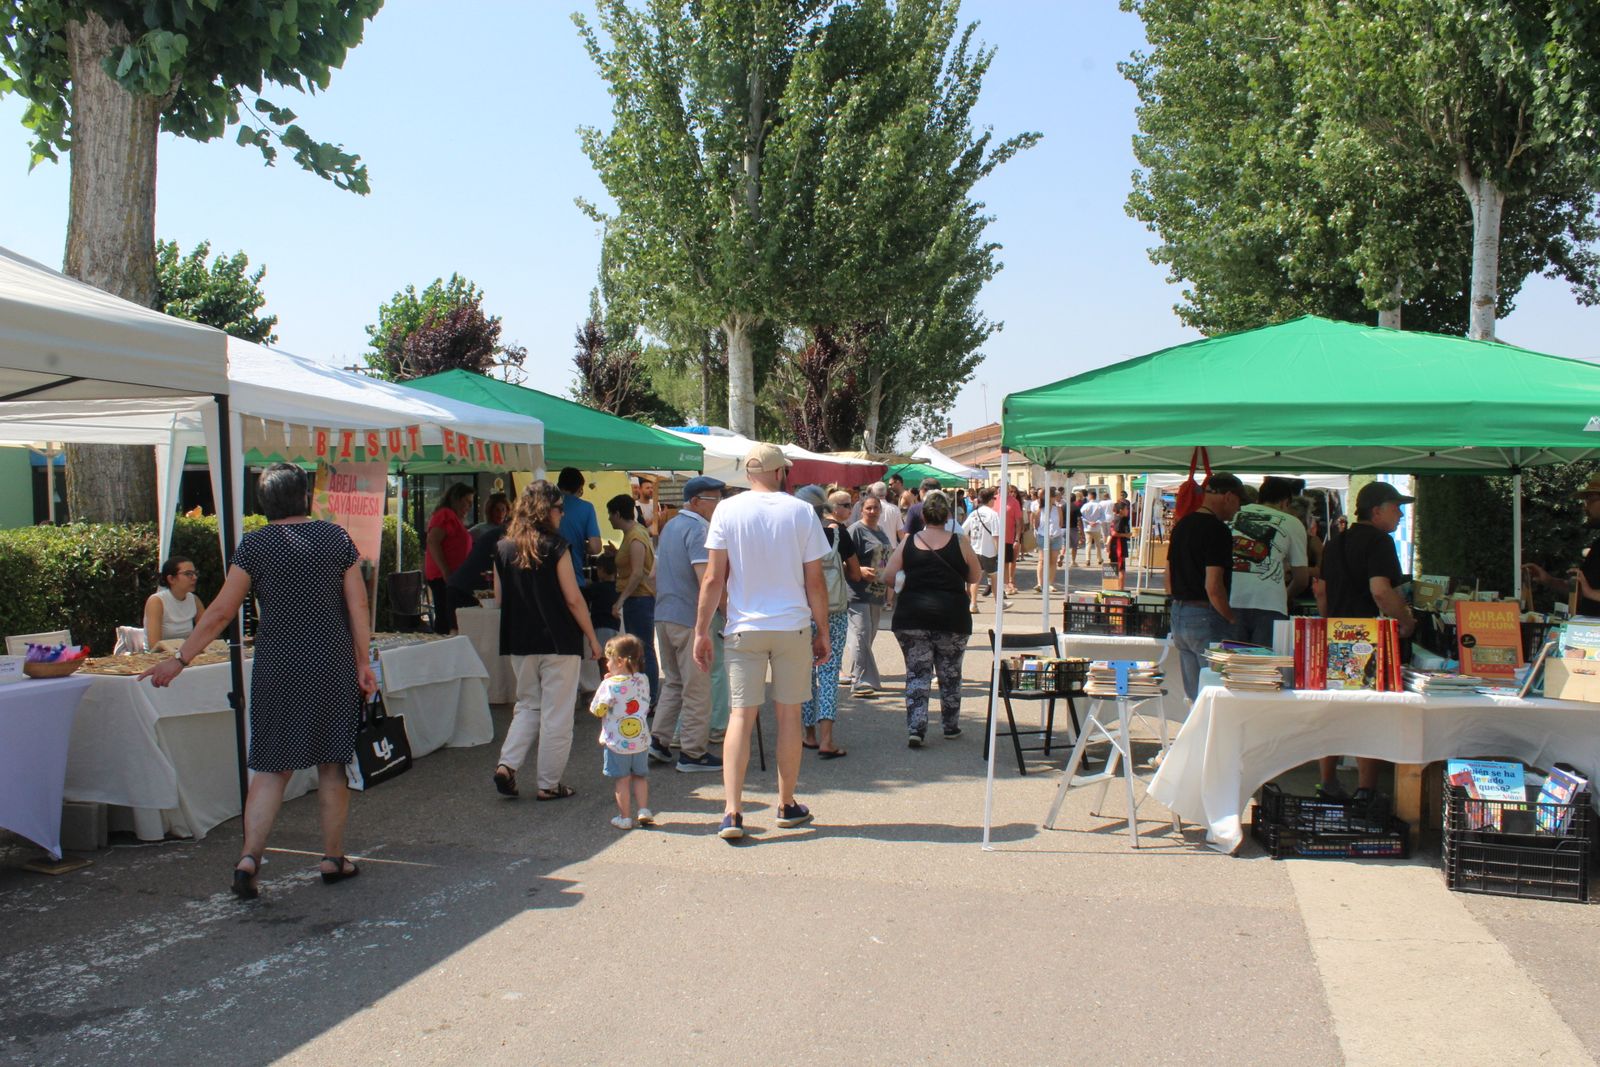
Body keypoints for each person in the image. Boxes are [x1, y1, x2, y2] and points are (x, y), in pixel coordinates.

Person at [141, 463, 375, 899]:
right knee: (331, 763)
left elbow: (219, 613)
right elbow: (357, 606)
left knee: (271, 766)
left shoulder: (255, 545)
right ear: (304, 495)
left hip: (277, 663)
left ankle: (250, 857)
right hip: (331, 661)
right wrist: (364, 663)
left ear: (264, 502)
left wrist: (180, 659)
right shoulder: (336, 538)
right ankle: (332, 857)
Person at [692, 443, 830, 841]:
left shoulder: (727, 510)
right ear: (779, 472)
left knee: (741, 716)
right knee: (788, 717)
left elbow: (713, 578)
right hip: (791, 625)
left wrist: (701, 630)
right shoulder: (800, 510)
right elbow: (815, 580)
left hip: (743, 626)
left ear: (749, 473)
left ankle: (732, 811)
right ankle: (786, 803)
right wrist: (822, 629)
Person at [491, 480, 603, 802]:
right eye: (558, 508)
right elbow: (573, 599)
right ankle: (549, 783)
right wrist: (593, 639)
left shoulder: (502, 547)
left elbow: (499, 599)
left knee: (527, 705)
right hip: (559, 639)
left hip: (519, 638)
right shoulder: (556, 545)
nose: (561, 514)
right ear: (546, 510)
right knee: (558, 713)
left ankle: (507, 765)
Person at [1315, 481, 1417, 800]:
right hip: (1368, 638)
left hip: (1335, 633)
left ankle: (1328, 783)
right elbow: (1380, 591)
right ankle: (1366, 792)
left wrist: (1331, 620)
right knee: (1369, 714)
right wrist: (1406, 620)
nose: (1400, 514)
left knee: (1335, 713)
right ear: (1377, 510)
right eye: (1395, 507)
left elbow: (1321, 590)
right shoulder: (1379, 541)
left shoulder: (1335, 542)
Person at [880, 490, 981, 746]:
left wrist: (906, 581)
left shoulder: (909, 541)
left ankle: (916, 727)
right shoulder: (960, 542)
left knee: (917, 673)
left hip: (912, 616)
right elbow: (974, 577)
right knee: (950, 673)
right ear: (948, 515)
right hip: (952, 617)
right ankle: (950, 725)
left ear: (922, 515)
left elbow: (888, 576)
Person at [650, 475, 726, 772]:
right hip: (689, 619)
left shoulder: (671, 525)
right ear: (696, 501)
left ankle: (659, 741)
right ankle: (693, 752)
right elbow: (707, 579)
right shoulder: (698, 528)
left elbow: (655, 573)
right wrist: (725, 611)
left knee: (673, 682)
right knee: (697, 688)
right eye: (713, 499)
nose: (718, 505)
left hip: (665, 614)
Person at [1167, 473, 1244, 701]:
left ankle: (1197, 735)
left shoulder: (1181, 526)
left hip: (1179, 613)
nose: (1237, 510)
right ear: (1229, 497)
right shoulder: (1218, 530)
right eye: (1239, 502)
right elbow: (1213, 586)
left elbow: (1168, 578)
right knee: (1216, 691)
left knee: (1195, 695)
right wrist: (1231, 618)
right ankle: (1210, 736)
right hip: (1204, 615)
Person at [799, 487, 863, 758]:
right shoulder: (838, 533)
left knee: (804, 674)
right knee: (827, 672)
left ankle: (809, 736)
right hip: (833, 609)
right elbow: (856, 573)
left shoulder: (795, 536)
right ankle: (827, 739)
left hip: (801, 611)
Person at [1228, 476, 1312, 647]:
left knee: (1230, 667)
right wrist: (1285, 595)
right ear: (1285, 503)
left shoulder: (1233, 514)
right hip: (1271, 604)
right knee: (1264, 667)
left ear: (1259, 498)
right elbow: (1302, 579)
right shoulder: (1292, 523)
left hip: (1230, 601)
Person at [589, 633, 654, 830]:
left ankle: (625, 817)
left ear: (618, 661)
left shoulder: (609, 685)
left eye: (608, 660)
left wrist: (605, 687)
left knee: (622, 781)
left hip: (617, 742)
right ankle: (643, 810)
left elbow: (597, 709)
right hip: (641, 740)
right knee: (640, 777)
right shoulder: (643, 680)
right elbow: (630, 688)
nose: (606, 664)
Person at [606, 493, 659, 708]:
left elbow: (637, 573)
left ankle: (651, 697)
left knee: (642, 649)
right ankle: (647, 695)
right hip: (639, 600)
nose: (609, 519)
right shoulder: (635, 533)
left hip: (639, 600)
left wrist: (620, 600)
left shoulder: (635, 536)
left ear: (618, 514)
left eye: (610, 514)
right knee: (641, 649)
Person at [1524, 474, 1600, 614]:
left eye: (1590, 499)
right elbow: (1582, 590)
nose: (1585, 507)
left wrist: (1590, 593)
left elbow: (1588, 591)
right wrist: (1549, 580)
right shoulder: (1598, 545)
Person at [845, 493, 892, 695]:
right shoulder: (855, 531)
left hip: (876, 592)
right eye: (869, 508)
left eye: (876, 508)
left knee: (868, 637)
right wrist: (860, 570)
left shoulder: (881, 531)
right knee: (862, 634)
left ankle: (858, 673)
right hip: (857, 591)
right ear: (861, 510)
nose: (873, 512)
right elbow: (842, 559)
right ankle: (860, 681)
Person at [445, 498, 509, 618]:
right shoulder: (493, 534)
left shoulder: (498, 535)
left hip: (464, 588)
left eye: (503, 510)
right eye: (497, 510)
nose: (500, 514)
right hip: (466, 590)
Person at [425, 482, 475, 634]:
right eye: (467, 501)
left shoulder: (453, 517)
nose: (469, 506)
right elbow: (433, 541)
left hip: (451, 577)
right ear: (457, 499)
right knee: (446, 618)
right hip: (444, 577)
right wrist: (446, 571)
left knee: (450, 617)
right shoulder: (445, 515)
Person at [143, 556, 205, 650]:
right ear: (171, 579)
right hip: (159, 657)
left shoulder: (194, 600)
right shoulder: (157, 601)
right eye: (188, 574)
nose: (195, 577)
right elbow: (155, 645)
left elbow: (207, 631)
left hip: (187, 655)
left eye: (195, 573)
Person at [556, 467, 603, 586]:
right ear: (579, 488)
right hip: (574, 578)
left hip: (546, 581)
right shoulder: (586, 508)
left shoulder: (544, 505)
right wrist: (583, 545)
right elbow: (596, 547)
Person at [963, 486, 1005, 611]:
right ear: (990, 499)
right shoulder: (993, 514)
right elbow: (996, 536)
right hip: (989, 550)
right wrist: (999, 553)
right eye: (994, 498)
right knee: (994, 576)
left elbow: (963, 530)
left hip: (975, 549)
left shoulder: (974, 513)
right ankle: (999, 603)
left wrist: (969, 543)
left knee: (976, 578)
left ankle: (973, 603)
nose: (995, 500)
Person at [1035, 488, 1068, 590]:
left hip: (1055, 536)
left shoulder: (1058, 509)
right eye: (1054, 496)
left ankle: (1049, 583)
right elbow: (1036, 524)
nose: (1055, 498)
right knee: (1042, 560)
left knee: (1053, 561)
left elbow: (1061, 523)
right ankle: (1040, 583)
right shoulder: (1040, 509)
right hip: (1043, 536)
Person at [1108, 500, 1133, 575]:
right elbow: (1114, 533)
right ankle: (1118, 585)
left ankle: (1116, 584)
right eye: (1126, 509)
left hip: (1117, 544)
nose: (1127, 510)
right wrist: (1126, 535)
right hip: (1118, 545)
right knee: (1120, 568)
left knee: (1117, 567)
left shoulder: (1120, 519)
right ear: (1121, 510)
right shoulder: (1119, 519)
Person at [1069, 490, 1085, 567]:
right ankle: (1073, 561)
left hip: (1063, 528)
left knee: (1063, 545)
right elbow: (1079, 519)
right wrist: (1081, 532)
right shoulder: (1076, 507)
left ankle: (1061, 556)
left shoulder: (1062, 506)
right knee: (1074, 546)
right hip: (1073, 528)